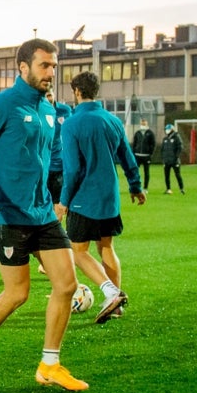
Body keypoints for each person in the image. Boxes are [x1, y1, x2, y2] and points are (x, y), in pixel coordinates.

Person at [0, 38, 89, 391]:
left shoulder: (49, 110)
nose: (51, 73)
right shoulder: (1, 105)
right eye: (44, 66)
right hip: (6, 213)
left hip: (42, 213)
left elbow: (52, 156)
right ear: (23, 67)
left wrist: (61, 193)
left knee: (67, 284)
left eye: (54, 67)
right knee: (17, 294)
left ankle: (49, 364)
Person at [56, 71, 145, 324]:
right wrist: (136, 186)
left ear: (76, 92)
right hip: (110, 197)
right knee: (106, 247)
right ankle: (116, 307)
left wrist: (63, 202)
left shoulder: (72, 123)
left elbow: (72, 169)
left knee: (78, 250)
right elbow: (127, 158)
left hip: (85, 198)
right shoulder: (112, 120)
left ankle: (111, 293)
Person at [131, 119, 156, 193]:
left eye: (144, 124)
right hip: (137, 155)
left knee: (146, 172)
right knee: (135, 172)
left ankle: (145, 188)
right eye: (142, 124)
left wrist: (150, 153)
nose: (143, 125)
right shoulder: (137, 133)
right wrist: (134, 152)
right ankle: (135, 187)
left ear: (147, 124)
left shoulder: (150, 133)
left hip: (146, 156)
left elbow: (153, 144)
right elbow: (134, 143)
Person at [161, 123, 186, 194]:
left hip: (174, 161)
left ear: (172, 129)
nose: (167, 130)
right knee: (166, 176)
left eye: (168, 129)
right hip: (167, 161)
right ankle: (168, 189)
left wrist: (176, 156)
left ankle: (181, 189)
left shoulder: (177, 137)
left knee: (177, 175)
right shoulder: (165, 139)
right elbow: (162, 150)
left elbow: (180, 147)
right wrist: (163, 159)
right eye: (166, 129)